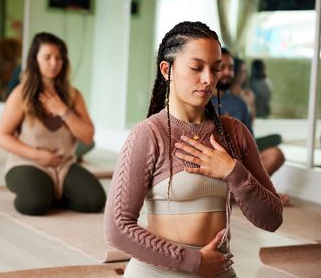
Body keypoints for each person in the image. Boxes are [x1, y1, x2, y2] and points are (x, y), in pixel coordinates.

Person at [104, 21, 283, 277]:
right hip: (159, 272)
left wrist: (233, 172)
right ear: (167, 70)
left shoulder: (234, 133)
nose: (208, 79)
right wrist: (193, 261)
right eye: (196, 67)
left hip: (220, 272)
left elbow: (272, 219)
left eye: (216, 68)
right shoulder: (149, 134)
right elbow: (117, 228)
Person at [0, 32, 106, 216]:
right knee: (34, 204)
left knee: (94, 201)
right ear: (35, 59)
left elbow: (87, 136)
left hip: (64, 165)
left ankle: (51, 191)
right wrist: (37, 155)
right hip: (28, 163)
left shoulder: (73, 95)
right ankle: (43, 191)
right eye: (47, 57)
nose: (54, 63)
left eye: (58, 58)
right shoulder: (21, 94)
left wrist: (64, 111)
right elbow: (1, 136)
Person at [213, 48, 288, 206]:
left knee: (276, 154)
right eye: (223, 67)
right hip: (215, 164)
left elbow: (250, 142)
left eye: (231, 68)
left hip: (240, 162)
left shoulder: (240, 104)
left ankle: (247, 193)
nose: (228, 72)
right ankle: (252, 194)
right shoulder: (201, 101)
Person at [230, 58, 256, 123]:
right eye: (240, 71)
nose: (242, 75)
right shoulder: (225, 95)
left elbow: (252, 121)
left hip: (246, 130)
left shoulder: (249, 94)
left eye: (244, 72)